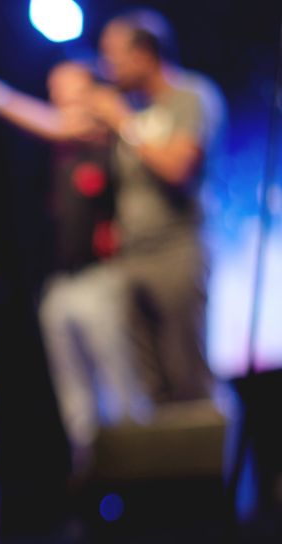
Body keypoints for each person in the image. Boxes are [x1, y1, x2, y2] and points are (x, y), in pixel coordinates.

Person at [0, 55, 150, 463]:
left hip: (103, 279)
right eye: (54, 91)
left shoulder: (110, 130)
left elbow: (62, 125)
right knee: (78, 404)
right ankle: (98, 490)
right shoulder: (53, 149)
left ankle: (141, 481)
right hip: (59, 284)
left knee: (121, 395)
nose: (61, 100)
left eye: (72, 90)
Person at [90, 9, 225, 404]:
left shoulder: (190, 97)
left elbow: (177, 168)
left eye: (113, 55)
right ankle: (172, 466)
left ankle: (216, 465)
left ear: (145, 54)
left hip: (177, 250)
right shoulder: (133, 109)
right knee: (152, 386)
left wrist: (124, 123)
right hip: (133, 256)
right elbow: (56, 125)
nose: (105, 66)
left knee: (189, 374)